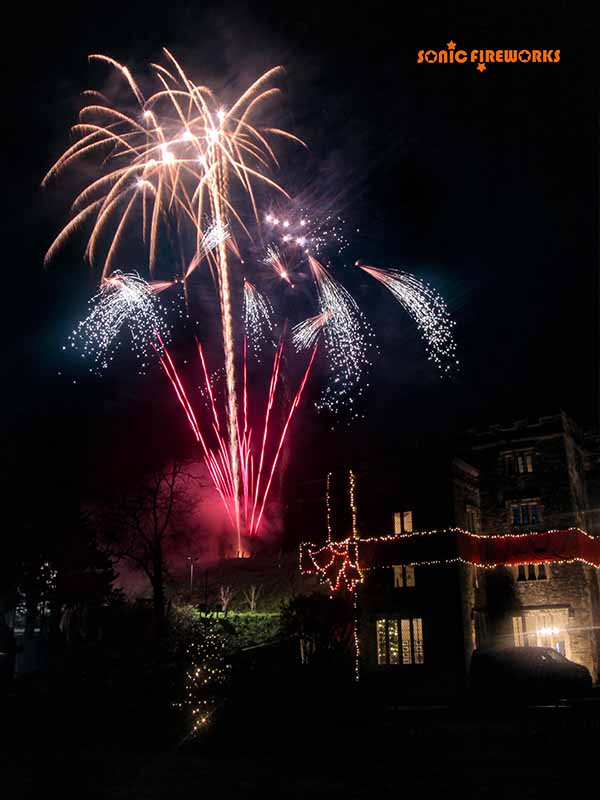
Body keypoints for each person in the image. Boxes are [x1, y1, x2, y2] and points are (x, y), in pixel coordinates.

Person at [0, 616, 17, 687]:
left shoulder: (8, 630)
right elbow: (12, 645)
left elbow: (11, 645)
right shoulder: (8, 630)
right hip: (6, 656)